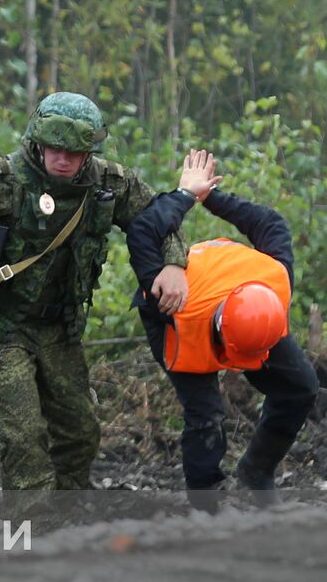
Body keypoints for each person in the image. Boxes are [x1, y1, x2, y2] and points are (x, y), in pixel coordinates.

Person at [0, 92, 188, 491]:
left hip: (60, 330)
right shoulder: (2, 179)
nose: (63, 158)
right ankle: (36, 535)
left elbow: (158, 218)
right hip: (2, 328)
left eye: (75, 151)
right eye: (54, 148)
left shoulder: (108, 182)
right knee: (24, 439)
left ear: (89, 150)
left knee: (80, 436)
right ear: (38, 140)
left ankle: (67, 522)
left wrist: (173, 263)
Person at [127, 150, 319, 506]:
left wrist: (213, 198)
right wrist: (186, 195)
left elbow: (271, 222)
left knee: (301, 386)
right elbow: (144, 229)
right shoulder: (171, 304)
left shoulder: (276, 279)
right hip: (184, 319)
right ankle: (207, 505)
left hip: (248, 311)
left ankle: (256, 473)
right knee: (206, 415)